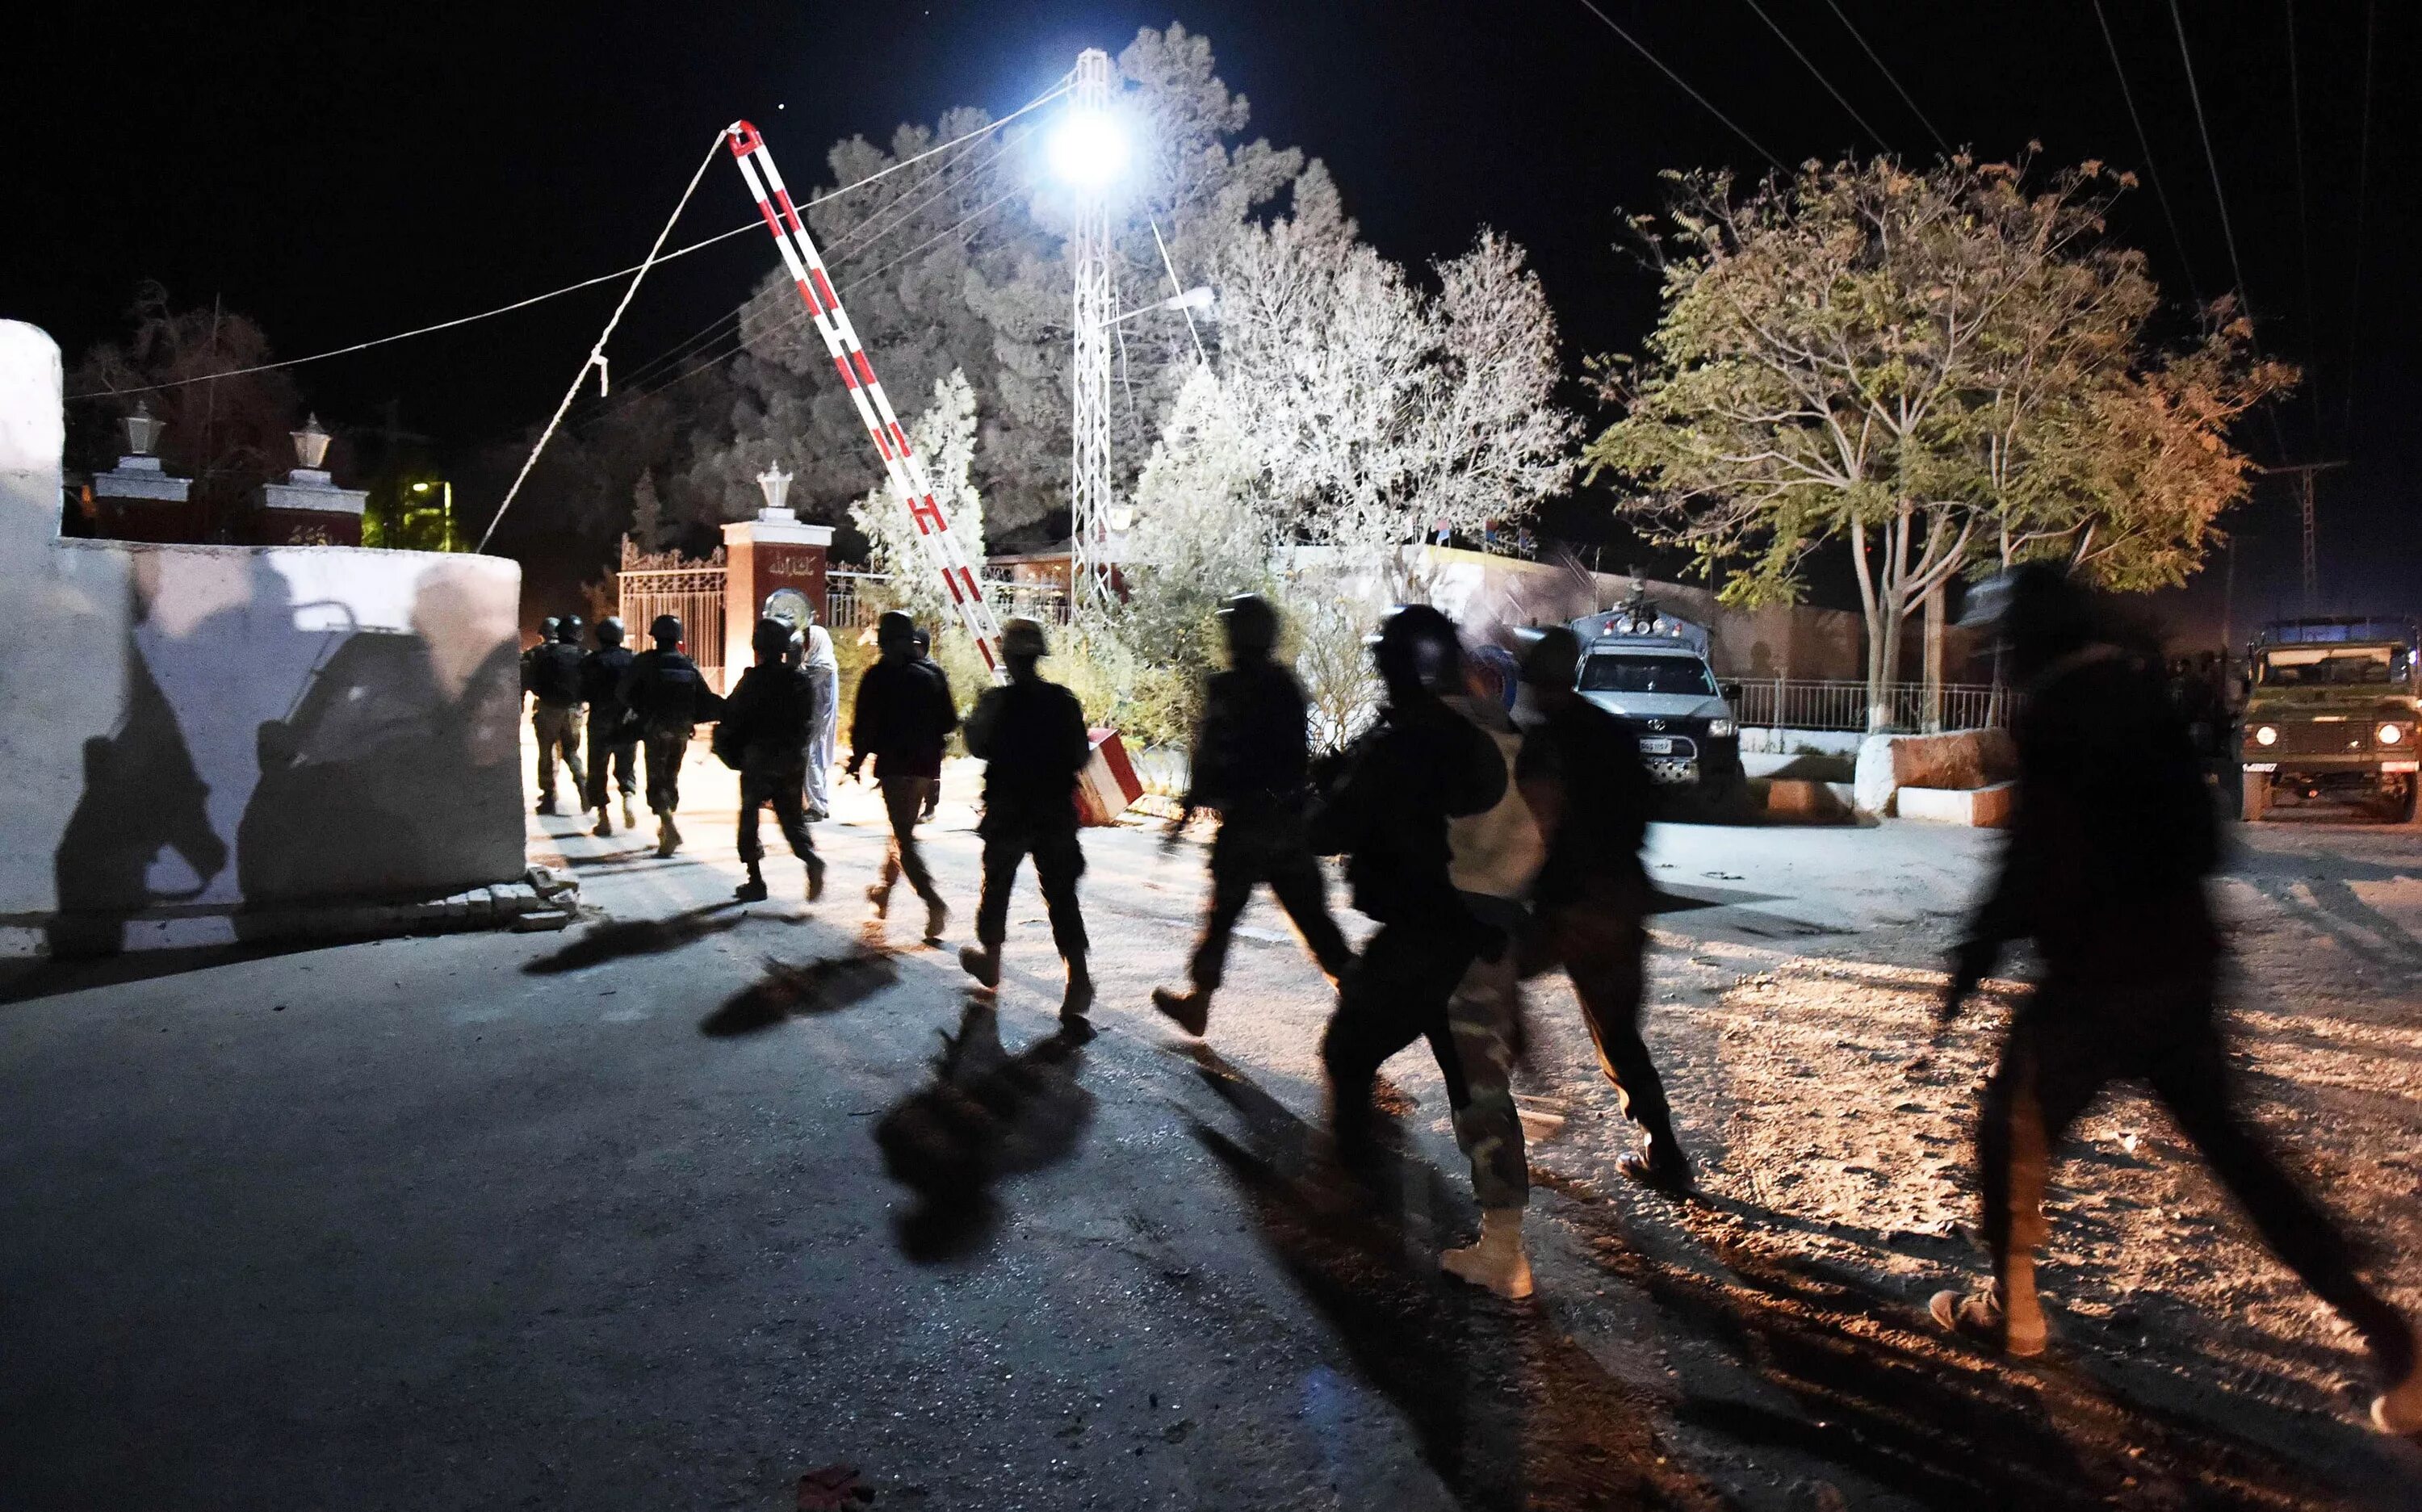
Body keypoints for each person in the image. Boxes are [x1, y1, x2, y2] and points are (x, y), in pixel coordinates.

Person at [1930, 566, 2420, 1437]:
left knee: (2009, 1126)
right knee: (2240, 1161)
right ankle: (2394, 1342)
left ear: (2030, 640)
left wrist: (1973, 962)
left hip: (2095, 982)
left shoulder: (2055, 709)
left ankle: (2015, 1310)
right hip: (2180, 971)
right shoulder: (2141, 693)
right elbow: (2202, 841)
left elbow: (2032, 861)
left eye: (2003, 645)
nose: (1998, 660)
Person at [1305, 607, 1518, 1277]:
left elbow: (1334, 825)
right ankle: (1504, 1245)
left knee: (1346, 1050)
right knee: (1475, 1087)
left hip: (1423, 937)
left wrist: (1321, 792)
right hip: (1478, 934)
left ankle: (1362, 1203)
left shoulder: (1408, 738)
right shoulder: (1471, 730)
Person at [1511, 625, 1690, 1192]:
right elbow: (1647, 808)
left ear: (1539, 682)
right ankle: (1665, 1152)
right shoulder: (1612, 731)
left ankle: (1529, 1087)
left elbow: (1538, 824)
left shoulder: (1543, 742)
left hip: (1568, 908)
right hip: (1622, 902)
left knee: (1482, 969)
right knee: (1619, 1034)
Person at [1150, 593, 1352, 1036]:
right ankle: (1361, 1001)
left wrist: (1184, 820)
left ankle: (1199, 1003)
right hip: (1288, 824)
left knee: (1221, 918)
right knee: (1314, 923)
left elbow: (1210, 760)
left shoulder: (1228, 689)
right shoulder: (1288, 687)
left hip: (1246, 827)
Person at [958, 618, 1095, 1023]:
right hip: (1053, 812)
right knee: (1061, 896)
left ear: (1008, 658)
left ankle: (991, 960)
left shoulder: (996, 703)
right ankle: (1077, 981)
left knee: (996, 887)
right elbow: (1080, 756)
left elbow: (977, 745)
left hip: (1009, 811)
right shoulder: (1063, 702)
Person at [848, 610, 958, 945]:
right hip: (926, 768)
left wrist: (856, 760)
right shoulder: (934, 673)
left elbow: (864, 728)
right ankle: (882, 893)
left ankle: (933, 902)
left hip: (896, 768)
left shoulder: (877, 676)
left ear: (883, 642)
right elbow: (950, 722)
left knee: (903, 838)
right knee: (901, 831)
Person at [717, 617, 826, 904]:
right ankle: (810, 858)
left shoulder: (753, 681)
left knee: (750, 816)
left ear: (758, 647)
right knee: (791, 817)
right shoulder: (800, 681)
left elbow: (732, 716)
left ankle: (755, 880)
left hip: (759, 760)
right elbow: (808, 722)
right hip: (791, 761)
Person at [618, 614, 720, 857]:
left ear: (655, 636)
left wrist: (640, 710)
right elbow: (703, 697)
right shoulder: (688, 664)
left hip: (655, 728)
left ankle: (667, 825)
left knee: (656, 778)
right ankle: (666, 827)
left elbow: (623, 692)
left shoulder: (645, 662)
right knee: (671, 776)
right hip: (682, 730)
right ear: (678, 638)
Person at [580, 617, 639, 837]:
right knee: (626, 765)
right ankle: (628, 799)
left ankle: (604, 818)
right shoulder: (633, 659)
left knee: (597, 769)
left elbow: (582, 690)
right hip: (627, 720)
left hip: (600, 721)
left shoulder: (591, 661)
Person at [522, 616, 586, 815]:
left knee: (546, 751)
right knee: (571, 751)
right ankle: (583, 784)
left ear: (544, 635)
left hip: (548, 707)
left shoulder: (540, 653)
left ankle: (549, 797)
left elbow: (525, 676)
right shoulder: (581, 654)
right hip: (574, 709)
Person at [802, 614, 841, 822]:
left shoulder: (822, 666)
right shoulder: (821, 662)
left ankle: (817, 806)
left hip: (818, 720)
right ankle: (821, 803)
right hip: (819, 718)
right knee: (815, 757)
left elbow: (804, 684)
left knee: (811, 758)